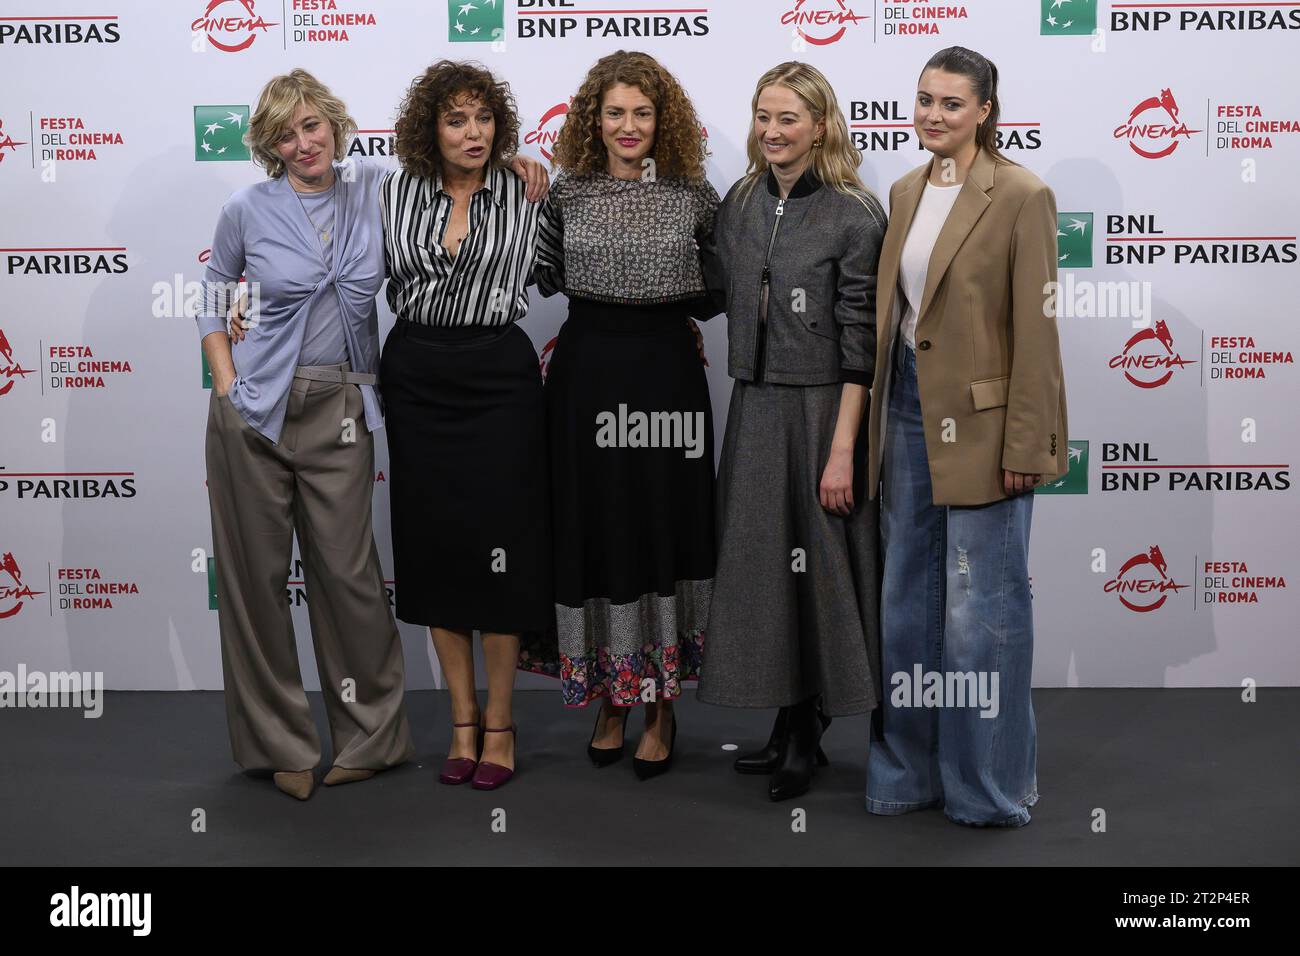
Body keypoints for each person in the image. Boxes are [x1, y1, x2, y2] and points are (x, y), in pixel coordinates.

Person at [864, 47, 1069, 827]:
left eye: (951, 103)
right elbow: (901, 324)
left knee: (980, 612)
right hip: (907, 415)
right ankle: (906, 774)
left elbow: (1037, 332)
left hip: (987, 427)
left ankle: (986, 788)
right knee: (906, 602)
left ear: (985, 110)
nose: (933, 115)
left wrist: (1029, 444)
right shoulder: (905, 189)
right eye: (923, 100)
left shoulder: (1023, 195)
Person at [198, 69, 413, 801]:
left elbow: (453, 163)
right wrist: (227, 383)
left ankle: (371, 738)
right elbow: (213, 295)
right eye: (285, 135)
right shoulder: (246, 208)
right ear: (269, 146)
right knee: (255, 583)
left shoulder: (377, 186)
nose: (303, 143)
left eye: (312, 126)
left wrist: (518, 161)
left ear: (334, 124)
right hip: (252, 411)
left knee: (350, 579)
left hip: (342, 408)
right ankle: (277, 746)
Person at [519, 50, 719, 779]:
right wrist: (517, 174)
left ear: (662, 122)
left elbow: (719, 286)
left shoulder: (695, 197)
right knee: (597, 523)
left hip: (666, 375)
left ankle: (663, 703)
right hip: (586, 377)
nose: (628, 126)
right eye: (614, 113)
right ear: (591, 121)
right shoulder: (563, 195)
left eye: (642, 113)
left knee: (662, 521)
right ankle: (612, 695)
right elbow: (540, 273)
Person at [696, 62, 886, 802]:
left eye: (788, 119)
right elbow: (710, 285)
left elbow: (861, 343)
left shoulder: (853, 213)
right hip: (756, 406)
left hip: (822, 415)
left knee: (823, 575)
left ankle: (811, 731)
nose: (772, 132)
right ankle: (785, 719)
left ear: (820, 125)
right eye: (763, 117)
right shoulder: (740, 201)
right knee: (766, 569)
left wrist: (842, 453)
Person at [376, 60, 552, 792]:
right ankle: (461, 721)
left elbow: (578, 266)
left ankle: (503, 724)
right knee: (437, 549)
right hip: (417, 375)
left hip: (498, 378)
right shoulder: (392, 191)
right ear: (430, 130)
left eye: (483, 118)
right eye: (456, 119)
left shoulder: (529, 188)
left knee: (500, 551)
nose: (473, 132)